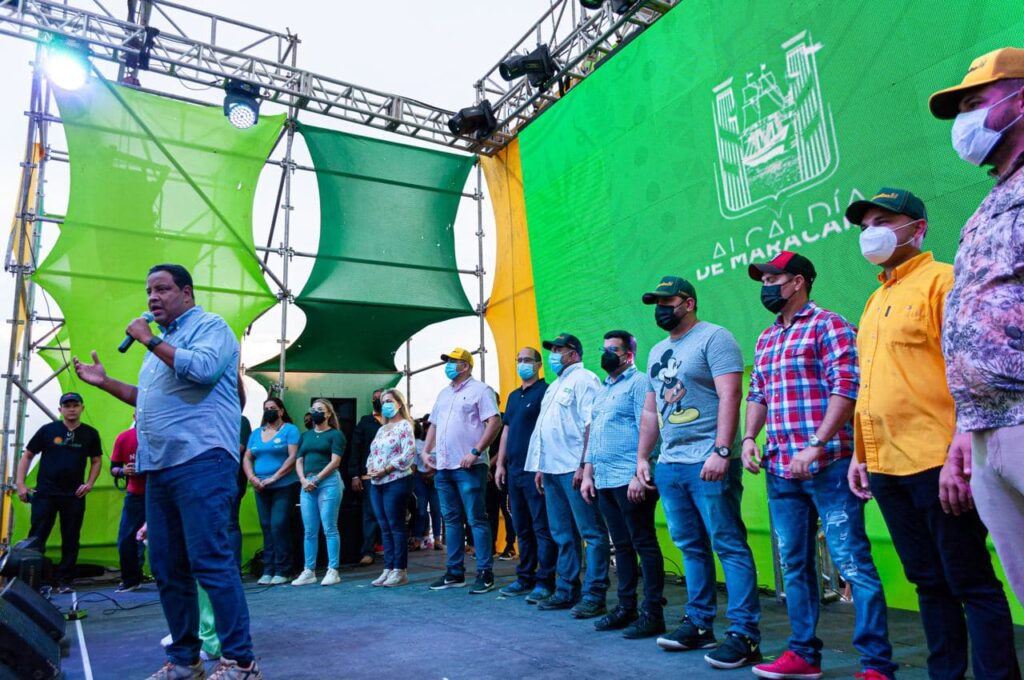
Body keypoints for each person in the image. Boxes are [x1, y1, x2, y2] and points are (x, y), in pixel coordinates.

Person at [844, 189, 1021, 679]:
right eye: (865, 225)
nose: (871, 233)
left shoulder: (945, 282)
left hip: (938, 461)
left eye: (884, 221)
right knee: (927, 581)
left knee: (971, 581)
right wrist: (861, 454)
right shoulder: (875, 299)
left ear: (917, 228)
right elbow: (872, 384)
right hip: (886, 466)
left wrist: (957, 452)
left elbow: (968, 369)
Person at [72, 263, 261, 679]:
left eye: (162, 289)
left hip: (202, 460)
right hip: (159, 467)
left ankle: (241, 662)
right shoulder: (160, 348)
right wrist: (104, 382)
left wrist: (150, 339)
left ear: (187, 293)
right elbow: (146, 398)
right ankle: (185, 660)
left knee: (210, 562)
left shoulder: (211, 327)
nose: (152, 297)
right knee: (167, 566)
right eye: (148, 291)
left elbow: (204, 370)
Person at [741, 251, 896, 680]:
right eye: (763, 280)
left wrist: (816, 444)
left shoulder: (830, 325)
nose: (766, 286)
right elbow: (758, 393)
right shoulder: (766, 338)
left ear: (798, 282)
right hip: (780, 469)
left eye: (773, 279)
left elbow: (847, 388)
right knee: (793, 563)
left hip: (830, 465)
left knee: (851, 563)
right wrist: (750, 437)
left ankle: (877, 665)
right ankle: (803, 655)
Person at [929, 47, 1024, 605]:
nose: (965, 121)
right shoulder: (987, 206)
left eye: (975, 103)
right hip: (988, 432)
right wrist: (967, 427)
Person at [631, 277, 762, 669]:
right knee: (691, 546)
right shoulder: (657, 351)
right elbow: (651, 411)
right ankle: (699, 623)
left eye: (667, 301)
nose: (660, 309)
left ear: (688, 303)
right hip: (671, 463)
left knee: (728, 543)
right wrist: (643, 458)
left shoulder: (715, 338)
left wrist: (722, 450)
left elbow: (731, 394)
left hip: (709, 459)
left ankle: (744, 634)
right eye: (656, 303)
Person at [579, 330, 666, 640]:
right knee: (622, 546)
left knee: (644, 543)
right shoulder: (603, 390)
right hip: (604, 479)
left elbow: (651, 428)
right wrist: (587, 474)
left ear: (629, 354)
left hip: (631, 479)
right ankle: (626, 608)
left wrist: (639, 474)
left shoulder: (640, 383)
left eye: (612, 350)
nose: (606, 355)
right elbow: (595, 435)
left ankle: (652, 613)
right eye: (603, 349)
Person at [524, 333, 610, 619]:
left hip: (574, 469)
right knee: (562, 534)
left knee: (592, 533)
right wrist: (540, 466)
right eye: (552, 349)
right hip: (552, 469)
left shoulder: (585, 379)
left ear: (573, 353)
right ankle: (566, 590)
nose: (553, 354)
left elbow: (591, 424)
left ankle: (594, 594)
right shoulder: (554, 386)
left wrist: (585, 465)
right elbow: (547, 429)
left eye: (558, 349)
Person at [422, 346, 501, 594]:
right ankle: (455, 572)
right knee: (451, 520)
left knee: (476, 518)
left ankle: (485, 573)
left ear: (465, 365)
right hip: (444, 466)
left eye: (453, 361)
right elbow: (434, 424)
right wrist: (426, 450)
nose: (448, 365)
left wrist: (476, 451)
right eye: (447, 361)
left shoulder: (481, 390)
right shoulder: (444, 394)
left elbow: (495, 421)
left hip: (469, 466)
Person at [15, 391, 103, 593]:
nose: (71, 409)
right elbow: (27, 455)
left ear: (82, 408)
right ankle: (33, 580)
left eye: (75, 405)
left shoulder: (90, 433)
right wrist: (20, 484)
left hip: (74, 495)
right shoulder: (48, 430)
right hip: (45, 494)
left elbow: (96, 460)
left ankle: (65, 580)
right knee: (37, 537)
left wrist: (89, 483)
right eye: (67, 406)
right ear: (60, 409)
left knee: (71, 538)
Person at [494, 347, 556, 604]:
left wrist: (542, 465)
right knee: (521, 527)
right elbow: (506, 431)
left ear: (539, 364)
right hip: (514, 471)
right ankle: (525, 576)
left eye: (527, 360)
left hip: (535, 471)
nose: (522, 364)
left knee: (541, 527)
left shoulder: (546, 391)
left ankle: (546, 580)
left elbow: (549, 430)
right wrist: (500, 464)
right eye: (519, 360)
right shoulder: (513, 396)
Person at [243, 397, 300, 586]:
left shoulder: (290, 430)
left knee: (278, 525)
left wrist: (274, 477)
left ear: (281, 411)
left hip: (283, 485)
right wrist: (252, 477)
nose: (269, 410)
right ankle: (268, 569)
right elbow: (247, 457)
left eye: (273, 408)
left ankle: (284, 570)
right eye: (266, 408)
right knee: (266, 526)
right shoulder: (256, 433)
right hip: (261, 487)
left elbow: (293, 457)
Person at [291, 398, 345, 587]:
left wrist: (317, 479)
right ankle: (309, 570)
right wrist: (303, 480)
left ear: (328, 413)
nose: (316, 412)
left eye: (320, 409)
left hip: (328, 483)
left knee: (329, 527)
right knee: (309, 530)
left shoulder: (335, 435)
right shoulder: (305, 436)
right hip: (307, 483)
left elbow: (335, 461)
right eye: (313, 409)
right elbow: (299, 459)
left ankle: (333, 570)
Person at [366, 389, 417, 588]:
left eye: (389, 400)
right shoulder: (381, 429)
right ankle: (388, 568)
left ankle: (400, 570)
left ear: (399, 403)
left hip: (396, 480)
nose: (385, 404)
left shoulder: (404, 425)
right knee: (384, 526)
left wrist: (386, 469)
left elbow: (408, 453)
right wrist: (370, 468)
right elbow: (373, 453)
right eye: (383, 402)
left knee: (396, 525)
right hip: (377, 482)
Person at [111, 417, 146, 593]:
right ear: (134, 416)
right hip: (136, 495)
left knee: (170, 536)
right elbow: (114, 467)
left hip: (163, 494)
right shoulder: (124, 437)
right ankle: (131, 579)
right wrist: (123, 471)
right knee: (126, 538)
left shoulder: (164, 435)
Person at [350, 389, 384, 566]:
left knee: (391, 513)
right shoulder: (365, 422)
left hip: (392, 475)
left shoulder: (397, 422)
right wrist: (355, 474)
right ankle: (368, 551)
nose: (378, 401)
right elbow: (355, 448)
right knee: (370, 514)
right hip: (369, 475)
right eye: (375, 398)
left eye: (382, 398)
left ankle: (390, 549)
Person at [412, 416, 442, 551]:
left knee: (436, 509)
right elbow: (414, 464)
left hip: (436, 476)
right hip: (420, 478)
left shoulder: (440, 442)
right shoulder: (417, 443)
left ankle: (437, 539)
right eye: (427, 427)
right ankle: (418, 538)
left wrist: (433, 472)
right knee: (421, 510)